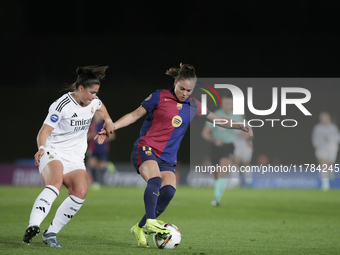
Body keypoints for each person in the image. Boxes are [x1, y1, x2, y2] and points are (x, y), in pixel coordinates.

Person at [95, 63, 253, 248]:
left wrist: (239, 125)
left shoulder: (194, 105)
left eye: (189, 90)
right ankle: (151, 221)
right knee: (155, 181)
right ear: (175, 82)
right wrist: (112, 126)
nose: (185, 93)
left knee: (168, 192)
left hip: (167, 158)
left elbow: (216, 119)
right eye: (182, 88)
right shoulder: (158, 96)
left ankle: (139, 227)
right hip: (146, 149)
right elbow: (134, 115)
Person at [22, 66, 114, 247]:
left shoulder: (93, 102)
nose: (94, 96)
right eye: (91, 92)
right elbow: (44, 131)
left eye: (96, 93)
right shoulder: (61, 105)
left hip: (75, 157)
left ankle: (51, 233)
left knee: (80, 192)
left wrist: (108, 121)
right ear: (80, 89)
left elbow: (101, 108)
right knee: (55, 184)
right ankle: (33, 225)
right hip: (53, 151)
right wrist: (41, 147)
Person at [201, 96, 243, 206]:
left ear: (233, 105)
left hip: (229, 146)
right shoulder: (215, 115)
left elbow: (243, 133)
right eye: (225, 103)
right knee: (216, 174)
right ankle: (218, 190)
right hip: (215, 147)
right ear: (222, 104)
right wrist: (214, 140)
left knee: (222, 171)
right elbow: (205, 133)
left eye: (229, 103)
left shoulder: (237, 116)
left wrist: (247, 134)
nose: (227, 105)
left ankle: (216, 199)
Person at [312, 112, 340, 191]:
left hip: (332, 149)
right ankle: (325, 184)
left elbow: (338, 138)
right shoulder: (317, 128)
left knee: (328, 165)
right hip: (321, 149)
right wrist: (316, 145)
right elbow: (314, 138)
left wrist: (330, 139)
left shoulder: (333, 128)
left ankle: (330, 170)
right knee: (322, 164)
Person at [87, 112, 116, 188]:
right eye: (95, 115)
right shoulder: (90, 125)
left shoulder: (105, 125)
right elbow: (85, 136)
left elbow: (113, 136)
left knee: (102, 166)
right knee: (91, 164)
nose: (96, 117)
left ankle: (107, 166)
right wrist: (91, 135)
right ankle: (96, 183)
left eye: (98, 116)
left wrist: (104, 137)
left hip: (102, 148)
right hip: (93, 149)